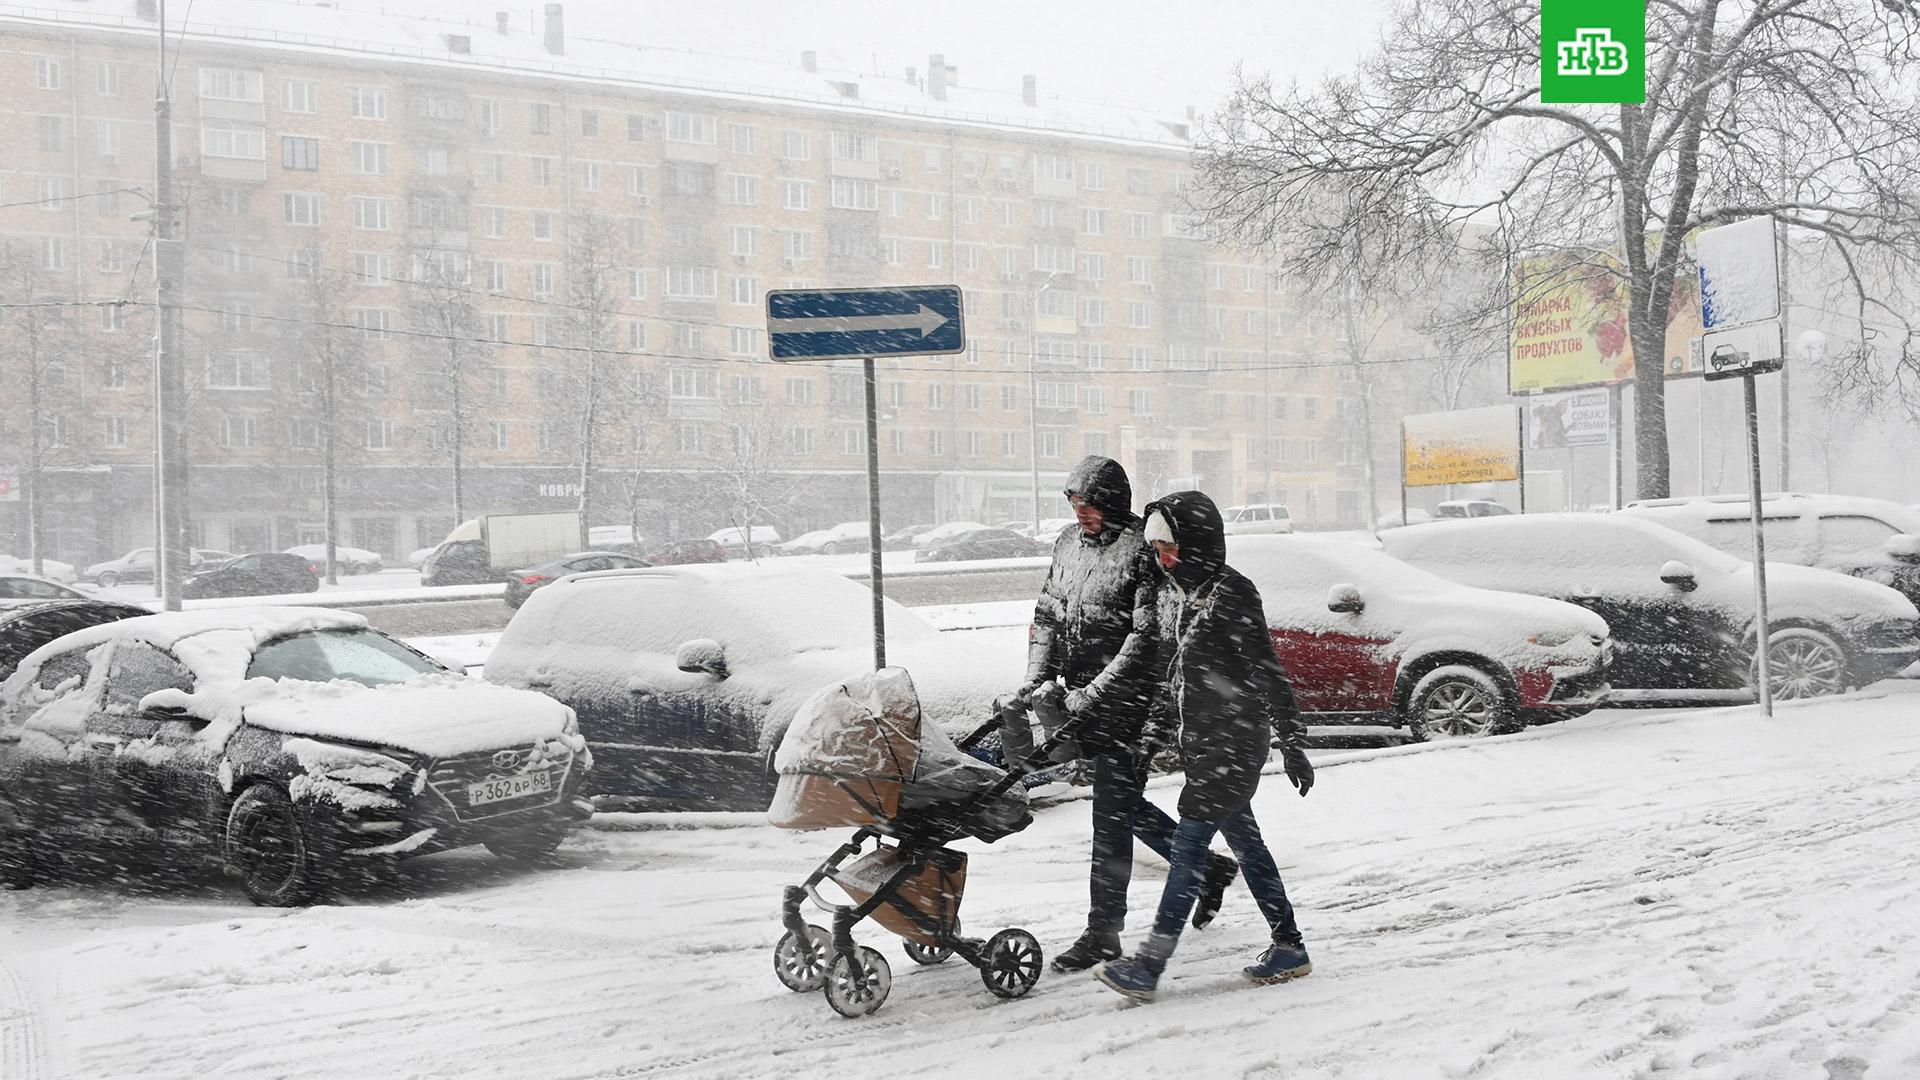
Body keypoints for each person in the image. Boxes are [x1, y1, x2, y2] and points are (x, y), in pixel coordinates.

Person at [1018, 456, 1240, 974]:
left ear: (1113, 501)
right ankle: (1208, 869)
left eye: (1089, 502)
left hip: (1130, 703)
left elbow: (1145, 638)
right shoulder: (1067, 545)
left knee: (1109, 816)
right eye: (1073, 502)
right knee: (1118, 803)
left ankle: (1104, 931)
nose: (1081, 512)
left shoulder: (1143, 549)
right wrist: (1036, 677)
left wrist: (1092, 695)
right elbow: (1048, 611)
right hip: (1082, 700)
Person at [1095, 490, 1316, 1002]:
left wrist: (1292, 741)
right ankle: (1290, 945)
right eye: (1157, 549)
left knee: (1190, 848)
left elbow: (1267, 670)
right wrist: (1148, 745)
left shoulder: (1233, 592)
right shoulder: (1175, 593)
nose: (1162, 559)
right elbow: (1167, 679)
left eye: (1169, 547)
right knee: (1247, 844)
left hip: (1236, 742)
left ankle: (1148, 966)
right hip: (1201, 743)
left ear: (1198, 542)